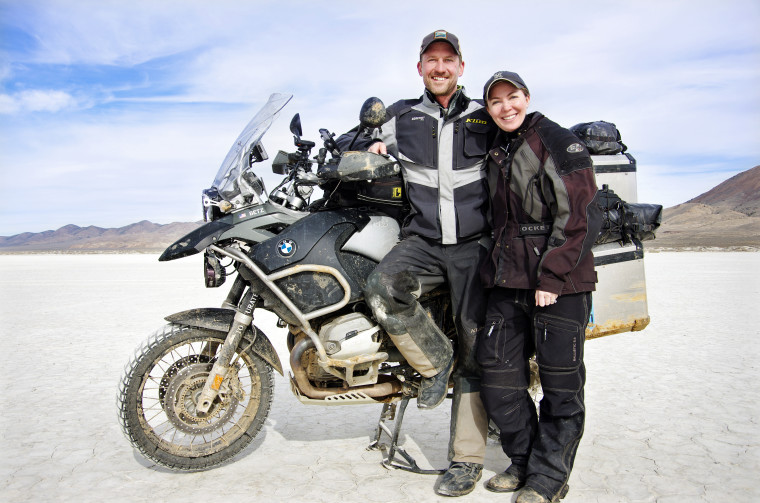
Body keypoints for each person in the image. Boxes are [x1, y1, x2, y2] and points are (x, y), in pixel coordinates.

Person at [336, 30, 495, 497]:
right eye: (432, 60)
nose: (440, 67)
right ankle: (434, 360)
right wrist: (369, 144)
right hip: (423, 241)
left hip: (474, 246)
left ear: (461, 68)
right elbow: (352, 140)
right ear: (420, 67)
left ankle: (466, 460)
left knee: (474, 345)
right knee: (382, 286)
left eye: (449, 60)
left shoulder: (483, 117)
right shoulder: (402, 116)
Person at [476, 71, 599, 503]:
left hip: (559, 282)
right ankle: (524, 459)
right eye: (496, 102)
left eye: (513, 97)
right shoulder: (499, 147)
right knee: (498, 378)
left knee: (561, 386)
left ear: (526, 97)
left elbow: (579, 213)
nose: (505, 107)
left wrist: (551, 277)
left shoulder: (555, 139)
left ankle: (548, 478)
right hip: (507, 278)